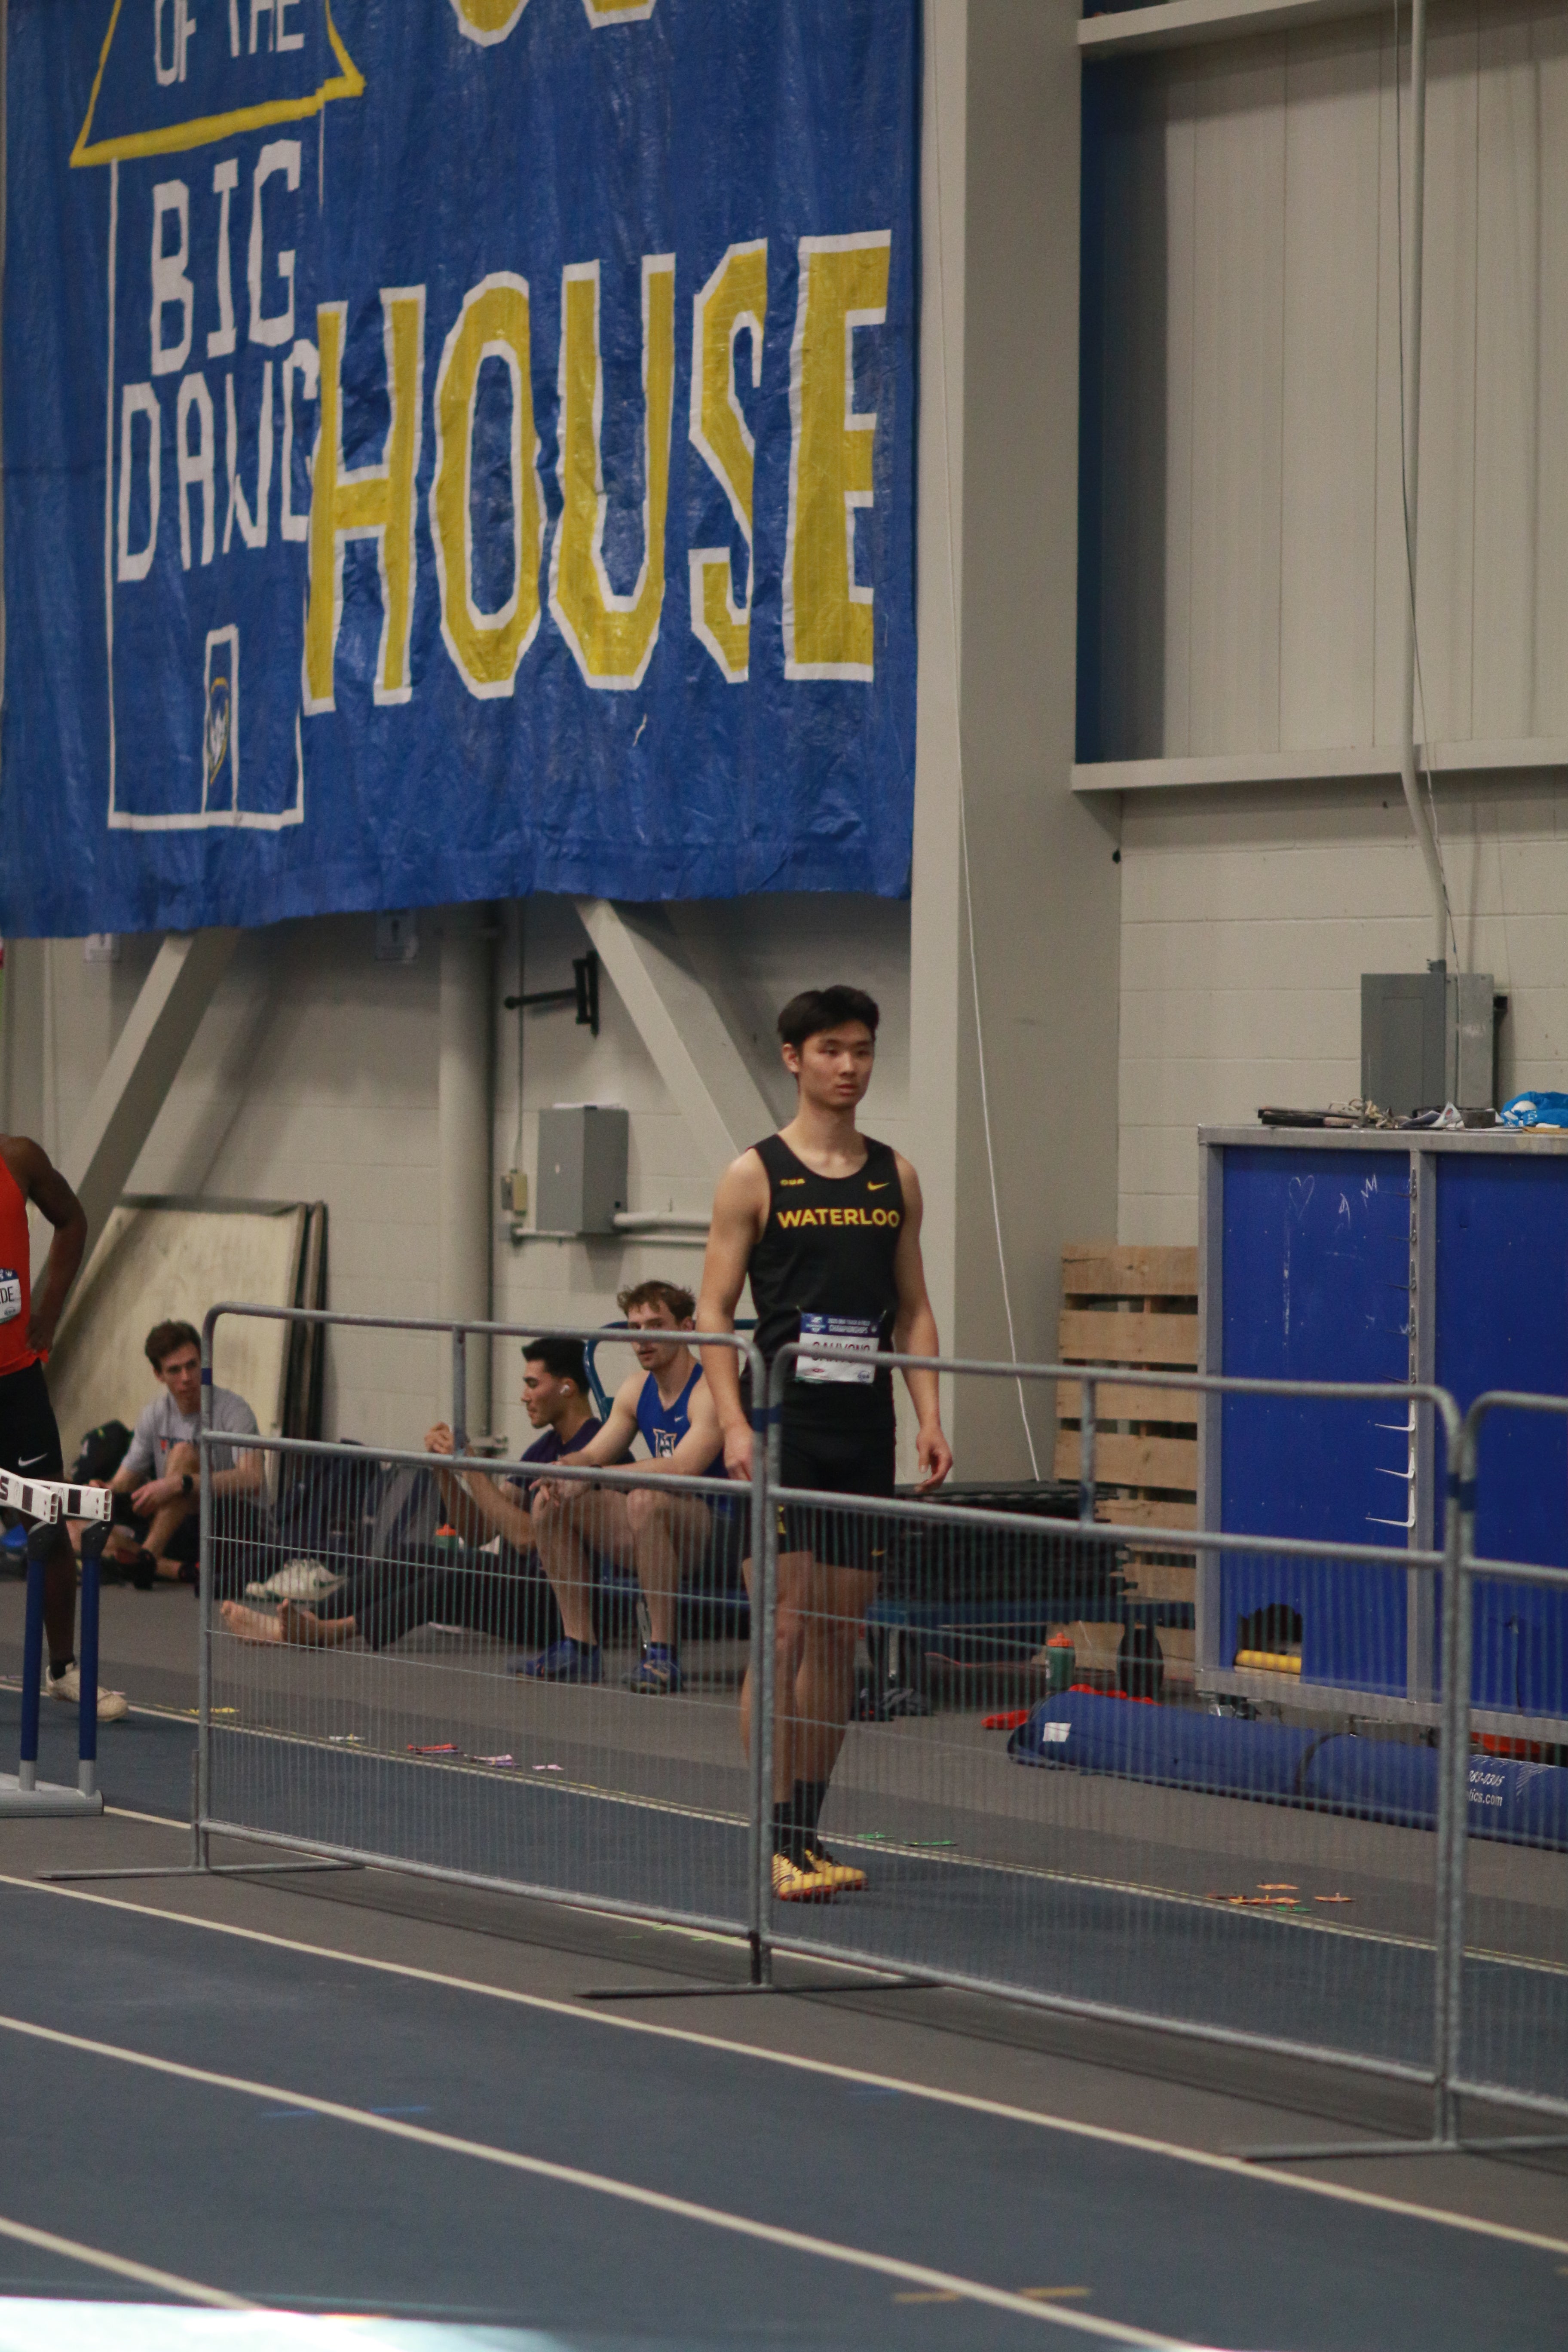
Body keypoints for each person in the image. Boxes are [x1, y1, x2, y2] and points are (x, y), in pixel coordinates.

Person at [696, 985, 952, 1901]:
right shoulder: (754, 1176)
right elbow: (714, 1314)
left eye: (864, 1051)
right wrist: (732, 1422)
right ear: (793, 1058)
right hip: (782, 1429)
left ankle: (808, 1834)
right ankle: (772, 1834)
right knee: (786, 1631)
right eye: (833, 1050)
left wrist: (928, 1413)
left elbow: (915, 1307)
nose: (850, 1067)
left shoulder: (896, 1176)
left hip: (863, 1429)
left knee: (840, 1639)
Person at [219, 1336, 601, 1651]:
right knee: (410, 1556)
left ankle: (329, 1632)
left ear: (567, 1387)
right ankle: (304, 1625)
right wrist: (445, 1472)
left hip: (569, 1607)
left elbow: (524, 1537)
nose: (523, 1396)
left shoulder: (596, 1449)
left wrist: (471, 1466)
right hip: (522, 1586)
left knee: (458, 1571)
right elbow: (481, 1532)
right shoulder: (542, 1449)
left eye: (533, 1384)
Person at [522, 1279, 730, 1692]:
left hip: (722, 1530)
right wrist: (568, 1470)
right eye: (634, 1329)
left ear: (688, 1329)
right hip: (659, 1525)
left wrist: (595, 1476)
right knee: (552, 1501)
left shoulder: (709, 1389)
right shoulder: (636, 1389)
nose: (642, 1340)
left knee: (644, 1500)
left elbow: (685, 1467)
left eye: (655, 1325)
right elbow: (596, 1451)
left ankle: (662, 1654)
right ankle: (579, 1646)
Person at [0, 1130, 126, 1720]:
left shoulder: (17, 1158)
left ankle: (63, 1670)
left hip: (16, 1381)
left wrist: (48, 1310)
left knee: (47, 1521)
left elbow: (71, 1219)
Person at [101, 1322, 265, 1589]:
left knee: (184, 1454)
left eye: (192, 1365)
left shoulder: (234, 1410)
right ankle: (181, 1570)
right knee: (80, 1533)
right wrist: (102, 1490)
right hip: (177, 1525)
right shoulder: (154, 1415)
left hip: (232, 1525)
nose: (187, 1377)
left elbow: (253, 1478)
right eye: (174, 1370)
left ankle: (148, 1557)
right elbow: (123, 1484)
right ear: (158, 1375)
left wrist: (181, 1483)